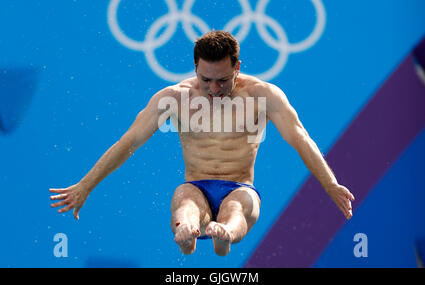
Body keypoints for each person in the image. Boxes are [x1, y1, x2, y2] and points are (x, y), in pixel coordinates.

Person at [50, 30, 355, 256]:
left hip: (240, 186)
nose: (213, 89)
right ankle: (187, 231)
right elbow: (128, 143)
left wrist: (330, 184)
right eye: (204, 80)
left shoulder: (263, 96)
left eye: (222, 80)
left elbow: (300, 139)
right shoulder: (173, 98)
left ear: (237, 66)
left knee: (237, 207)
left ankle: (225, 235)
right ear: (195, 67)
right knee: (185, 200)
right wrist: (86, 185)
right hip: (196, 184)